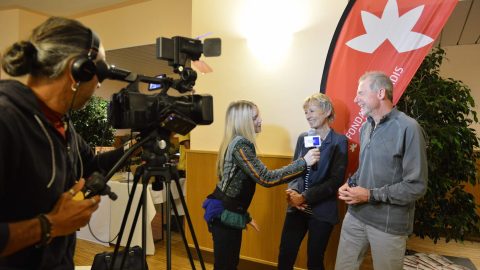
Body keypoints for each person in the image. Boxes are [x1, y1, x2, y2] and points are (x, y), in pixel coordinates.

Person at [0, 17, 126, 269]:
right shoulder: (7, 121)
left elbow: (92, 165)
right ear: (78, 69)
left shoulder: (61, 124)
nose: (100, 83)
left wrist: (137, 148)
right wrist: (51, 224)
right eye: (100, 72)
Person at [202, 100, 320, 270]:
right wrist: (304, 162)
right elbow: (266, 178)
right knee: (226, 265)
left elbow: (232, 184)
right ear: (244, 122)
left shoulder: (236, 142)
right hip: (224, 213)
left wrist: (245, 215)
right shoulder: (241, 144)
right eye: (255, 117)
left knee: (227, 264)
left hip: (227, 211)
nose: (260, 120)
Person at [335, 71, 428, 270]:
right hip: (355, 216)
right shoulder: (365, 128)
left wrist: (370, 195)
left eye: (360, 93)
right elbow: (365, 168)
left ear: (380, 93)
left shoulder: (408, 128)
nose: (355, 99)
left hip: (389, 225)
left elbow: (416, 186)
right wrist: (350, 183)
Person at [278, 93, 348, 270]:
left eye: (311, 111)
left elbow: (335, 181)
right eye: (305, 112)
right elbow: (295, 169)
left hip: (322, 209)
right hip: (297, 207)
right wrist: (293, 193)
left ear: (326, 112)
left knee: (315, 259)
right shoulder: (304, 138)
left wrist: (305, 197)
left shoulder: (339, 141)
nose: (308, 116)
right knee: (286, 253)